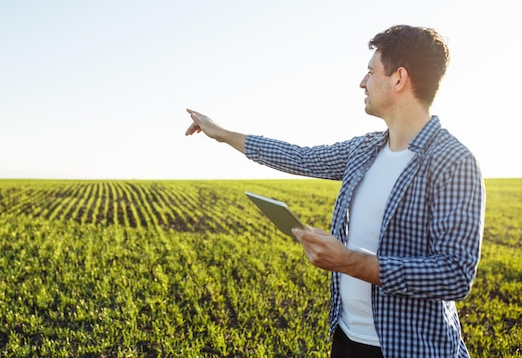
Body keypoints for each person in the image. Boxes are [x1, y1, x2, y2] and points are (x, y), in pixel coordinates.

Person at [184, 25, 485, 358]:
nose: (362, 82)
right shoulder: (364, 149)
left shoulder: (454, 161)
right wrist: (223, 134)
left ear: (399, 79)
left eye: (371, 72)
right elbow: (298, 157)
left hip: (412, 349)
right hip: (346, 339)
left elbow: (454, 275)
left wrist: (349, 261)